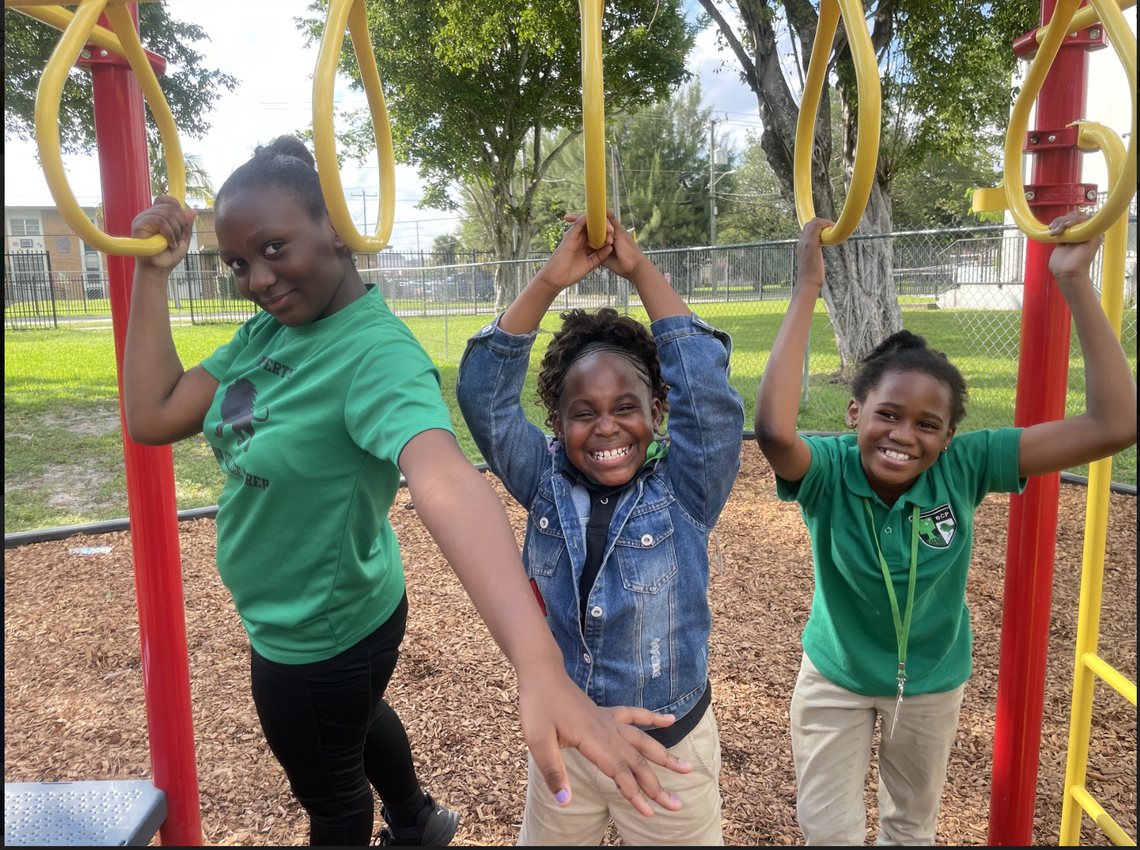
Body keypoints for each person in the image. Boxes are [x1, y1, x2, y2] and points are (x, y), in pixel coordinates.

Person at [120, 137, 691, 847]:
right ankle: (419, 820)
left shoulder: (376, 357)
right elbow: (154, 413)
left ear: (337, 228)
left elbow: (446, 479)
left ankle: (409, 821)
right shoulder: (269, 332)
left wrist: (538, 665)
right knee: (356, 722)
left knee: (332, 800)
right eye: (237, 263)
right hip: (355, 603)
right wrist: (151, 278)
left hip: (311, 633)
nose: (256, 280)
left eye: (273, 249)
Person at [754, 211, 1138, 845]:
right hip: (836, 678)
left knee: (911, 830)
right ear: (855, 413)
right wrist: (806, 290)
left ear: (949, 437)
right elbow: (772, 430)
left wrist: (1073, 280)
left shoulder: (964, 466)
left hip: (929, 683)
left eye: (928, 425)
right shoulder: (826, 470)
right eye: (888, 414)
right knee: (828, 833)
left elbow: (1113, 425)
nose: (905, 435)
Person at [456, 210, 746, 845]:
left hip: (666, 754)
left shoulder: (687, 489)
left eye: (625, 407)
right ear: (557, 425)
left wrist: (638, 269)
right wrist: (547, 283)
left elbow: (713, 399)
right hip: (571, 740)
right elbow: (484, 397)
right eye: (582, 413)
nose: (606, 427)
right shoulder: (545, 479)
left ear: (658, 412)